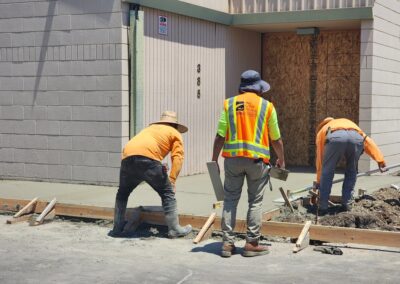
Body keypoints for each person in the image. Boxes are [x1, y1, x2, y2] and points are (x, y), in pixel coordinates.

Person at [212, 70, 285, 257]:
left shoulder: (229, 104)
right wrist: (281, 158)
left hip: (233, 160)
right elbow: (275, 138)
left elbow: (220, 135)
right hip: (257, 162)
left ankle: (227, 244)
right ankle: (251, 244)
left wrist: (214, 159)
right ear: (259, 87)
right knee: (255, 202)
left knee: (229, 200)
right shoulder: (267, 106)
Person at [109, 111, 192, 238]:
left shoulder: (149, 129)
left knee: (122, 193)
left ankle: (117, 228)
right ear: (175, 125)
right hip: (149, 159)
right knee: (167, 192)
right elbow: (178, 157)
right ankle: (174, 229)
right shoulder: (174, 133)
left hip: (127, 158)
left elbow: (139, 148)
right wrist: (172, 180)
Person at [315, 117, 387, 215]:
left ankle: (323, 207)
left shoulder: (323, 131)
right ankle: (347, 204)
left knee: (327, 171)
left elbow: (320, 160)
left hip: (335, 138)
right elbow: (367, 140)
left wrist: (319, 181)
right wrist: (380, 160)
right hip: (356, 138)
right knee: (351, 171)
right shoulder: (347, 123)